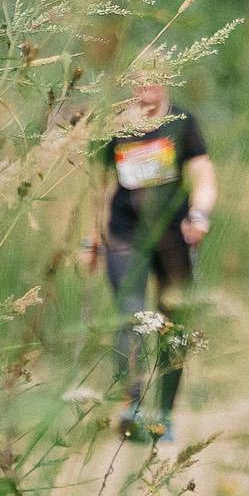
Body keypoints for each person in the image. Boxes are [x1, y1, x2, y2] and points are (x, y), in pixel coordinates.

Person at [85, 78, 217, 446]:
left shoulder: (181, 122)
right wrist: (91, 238)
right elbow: (101, 186)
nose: (146, 93)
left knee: (173, 324)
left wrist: (201, 214)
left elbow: (203, 176)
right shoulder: (116, 127)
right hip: (125, 234)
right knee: (131, 316)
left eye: (154, 84)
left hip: (174, 235)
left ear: (168, 85)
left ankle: (165, 414)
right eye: (138, 84)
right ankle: (133, 405)